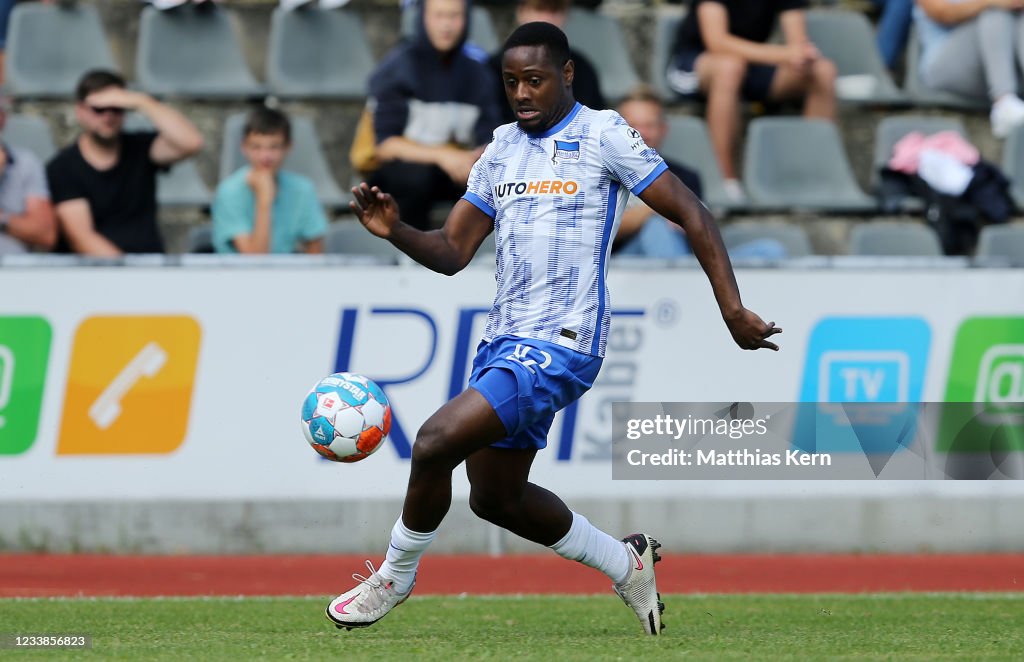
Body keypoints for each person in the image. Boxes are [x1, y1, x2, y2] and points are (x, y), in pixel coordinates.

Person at [326, 22, 781, 636]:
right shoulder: (500, 151)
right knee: (496, 497)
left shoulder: (604, 135)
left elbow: (691, 212)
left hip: (563, 345)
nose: (522, 93)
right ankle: (627, 562)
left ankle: (395, 574)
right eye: (511, 81)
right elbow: (453, 250)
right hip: (503, 344)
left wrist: (731, 308)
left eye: (535, 80)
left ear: (566, 75)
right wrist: (397, 231)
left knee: (433, 442)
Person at [666, 0, 837, 202]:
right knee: (729, 68)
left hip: (749, 64)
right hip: (695, 64)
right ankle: (725, 181)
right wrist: (785, 54)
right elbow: (717, 42)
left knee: (823, 71)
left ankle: (813, 177)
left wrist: (802, 55)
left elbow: (797, 41)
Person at [366, 0, 503, 230]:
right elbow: (385, 145)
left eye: (454, 16)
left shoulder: (479, 74)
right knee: (415, 179)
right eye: (439, 15)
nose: (446, 25)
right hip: (405, 171)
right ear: (423, 18)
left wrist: (474, 159)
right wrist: (444, 156)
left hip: (458, 168)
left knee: (491, 179)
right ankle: (411, 253)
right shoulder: (397, 68)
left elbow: (491, 137)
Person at [46, 69, 204, 255]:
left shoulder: (141, 147)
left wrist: (142, 102)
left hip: (148, 267)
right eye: (99, 109)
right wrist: (127, 274)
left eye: (117, 108)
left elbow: (191, 143)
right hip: (96, 274)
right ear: (80, 111)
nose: (108, 116)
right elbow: (82, 238)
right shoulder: (62, 167)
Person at [211, 107, 327, 254]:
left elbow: (315, 249)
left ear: (288, 147)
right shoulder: (228, 192)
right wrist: (264, 200)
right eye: (256, 147)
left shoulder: (303, 188)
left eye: (274, 147)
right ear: (244, 147)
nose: (265, 156)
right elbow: (255, 262)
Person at [613, 86, 703, 257]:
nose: (641, 133)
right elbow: (599, 230)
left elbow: (699, 231)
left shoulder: (684, 177)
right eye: (632, 126)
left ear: (663, 129)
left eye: (650, 125)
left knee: (767, 250)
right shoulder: (600, 175)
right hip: (619, 266)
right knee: (656, 226)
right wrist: (656, 210)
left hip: (682, 255)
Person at [913, 0, 1024, 138]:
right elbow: (942, 13)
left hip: (992, 67)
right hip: (943, 67)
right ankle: (1003, 104)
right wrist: (990, 2)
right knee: (994, 11)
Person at [488, 0, 607, 124]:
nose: (547, 18)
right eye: (539, 10)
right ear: (521, 12)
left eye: (555, 11)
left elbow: (594, 121)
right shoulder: (494, 68)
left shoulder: (582, 69)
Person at [0, 105, 57, 255]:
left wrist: (3, 219)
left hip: (17, 271)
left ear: (3, 118)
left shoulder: (26, 162)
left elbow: (45, 234)